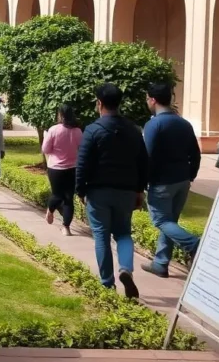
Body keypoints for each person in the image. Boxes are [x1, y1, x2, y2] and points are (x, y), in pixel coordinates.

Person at [76, 83, 147, 298]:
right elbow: (143, 162)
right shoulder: (134, 130)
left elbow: (83, 163)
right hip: (126, 191)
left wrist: (80, 190)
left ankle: (107, 284)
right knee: (123, 233)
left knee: (101, 236)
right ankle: (126, 268)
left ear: (99, 103)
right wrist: (140, 190)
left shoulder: (93, 130)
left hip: (99, 193)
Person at [141, 83, 202, 277]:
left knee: (161, 220)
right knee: (170, 222)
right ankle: (160, 264)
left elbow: (147, 157)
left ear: (153, 100)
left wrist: (142, 182)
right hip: (182, 181)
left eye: (147, 98)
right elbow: (196, 154)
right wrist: (190, 175)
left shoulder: (154, 124)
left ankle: (194, 244)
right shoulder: (183, 123)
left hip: (161, 183)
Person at [41, 104, 83, 236]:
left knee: (57, 194)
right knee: (69, 198)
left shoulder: (54, 130)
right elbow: (81, 149)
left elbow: (45, 149)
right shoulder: (78, 131)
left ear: (61, 115)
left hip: (55, 168)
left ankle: (50, 210)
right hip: (72, 168)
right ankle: (66, 227)